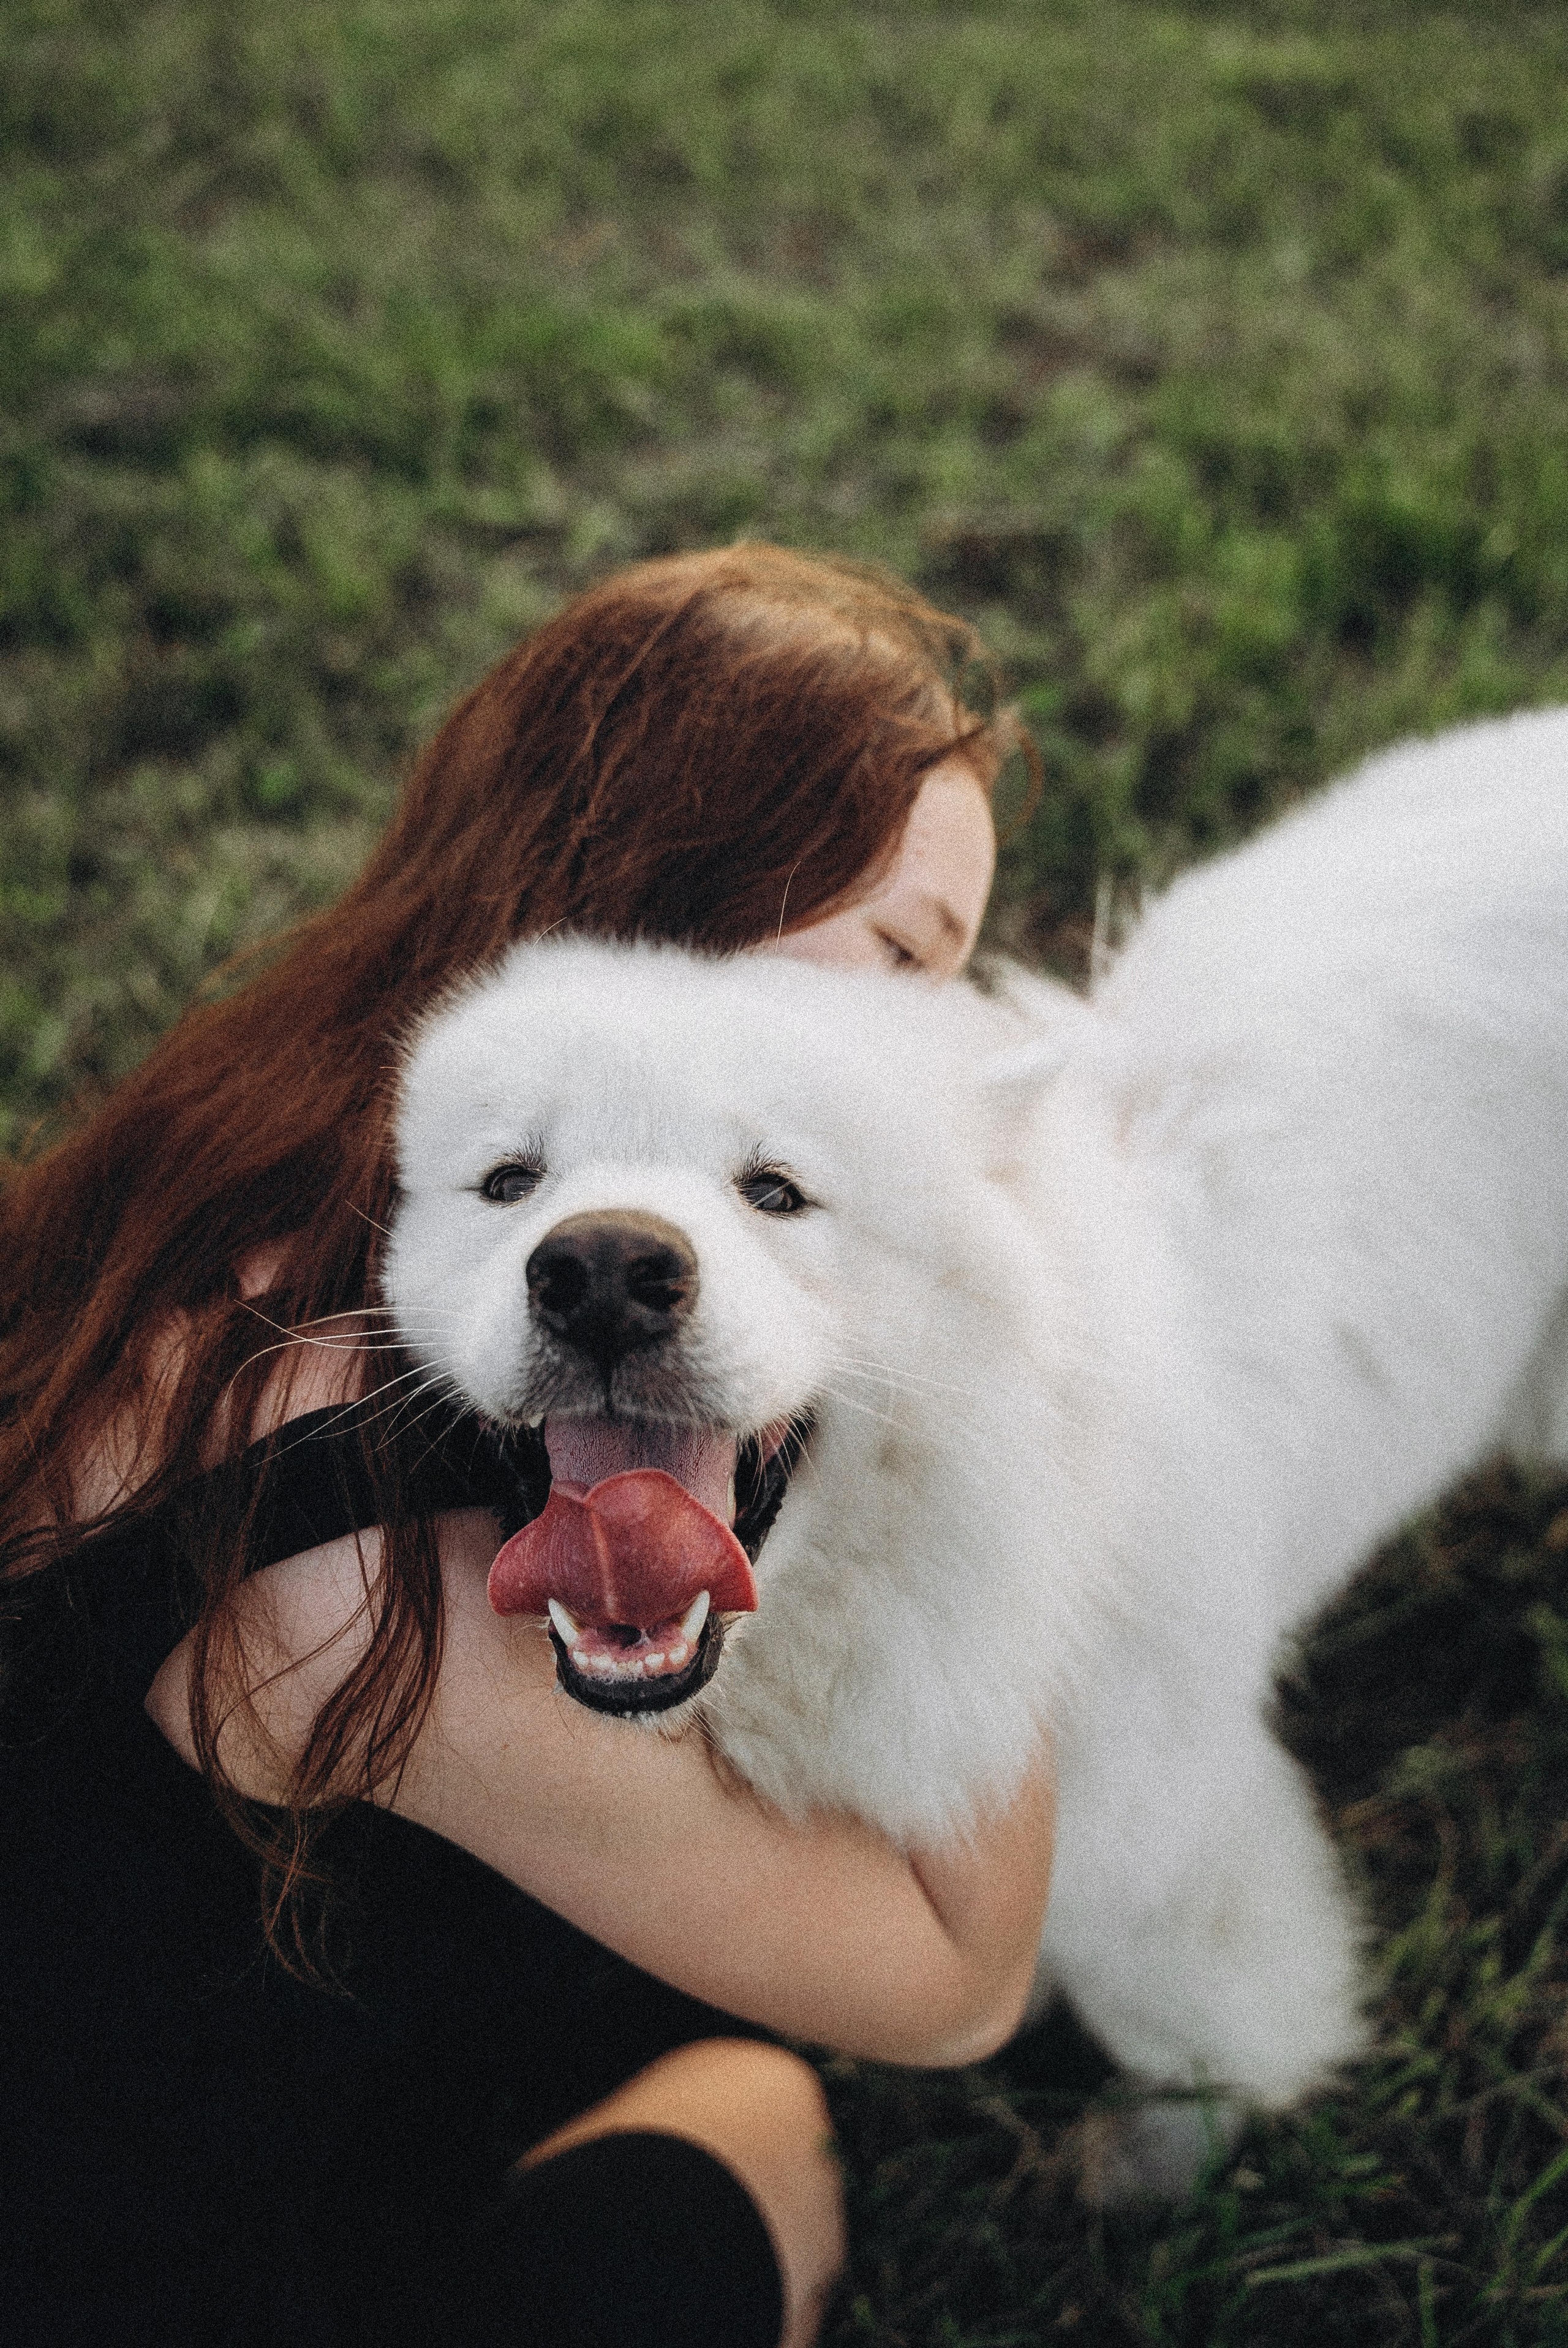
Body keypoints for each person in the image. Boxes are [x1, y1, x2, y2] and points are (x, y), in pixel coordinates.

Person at [0, 545, 1055, 2348]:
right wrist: (1026, 1371)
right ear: (679, 910)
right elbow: (956, 1971)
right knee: (762, 2108)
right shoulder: (355, 1561)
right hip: (155, 2272)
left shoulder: (268, 1149)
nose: (948, 1036)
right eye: (907, 961)